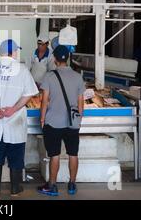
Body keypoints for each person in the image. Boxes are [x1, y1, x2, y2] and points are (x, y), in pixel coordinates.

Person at [0, 39, 39, 197]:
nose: (17, 53)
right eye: (16, 51)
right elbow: (29, 94)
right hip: (15, 121)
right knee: (16, 156)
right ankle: (14, 188)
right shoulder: (22, 69)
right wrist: (13, 109)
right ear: (12, 52)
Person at [37, 45, 85, 196]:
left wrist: (42, 119)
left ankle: (52, 186)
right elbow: (80, 102)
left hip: (53, 122)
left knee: (55, 155)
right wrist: (79, 120)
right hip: (72, 123)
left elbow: (44, 101)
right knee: (73, 154)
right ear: (68, 58)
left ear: (55, 60)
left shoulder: (49, 76)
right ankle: (72, 184)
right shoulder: (78, 77)